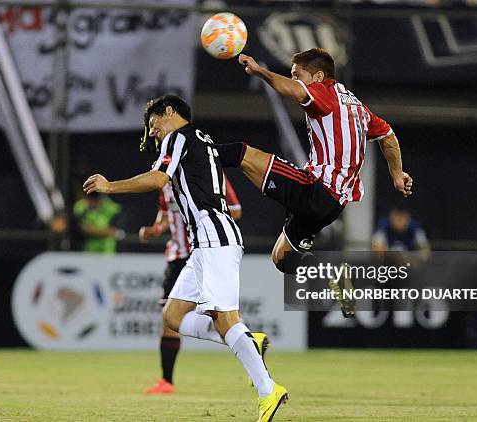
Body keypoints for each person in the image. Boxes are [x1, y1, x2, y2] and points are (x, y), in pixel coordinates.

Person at [83, 94, 288, 421]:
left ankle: (267, 389)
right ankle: (246, 341)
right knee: (172, 316)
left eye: (153, 124)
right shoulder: (199, 140)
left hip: (213, 234)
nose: (152, 132)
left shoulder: (179, 136)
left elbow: (158, 179)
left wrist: (110, 187)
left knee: (226, 319)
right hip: (203, 240)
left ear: (168, 112)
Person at [215, 48, 413, 275]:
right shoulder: (357, 107)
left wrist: (261, 72)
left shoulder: (323, 93)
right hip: (333, 205)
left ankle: (195, 153)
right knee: (282, 258)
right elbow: (387, 136)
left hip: (316, 189)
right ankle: (332, 274)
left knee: (242, 153)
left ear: (318, 76)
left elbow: (293, 91)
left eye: (297, 75)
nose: (294, 80)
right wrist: (397, 175)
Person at [140, 177, 246, 394]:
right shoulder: (163, 178)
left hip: (202, 253)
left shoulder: (208, 171)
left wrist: (199, 217)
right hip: (177, 257)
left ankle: (248, 342)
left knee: (217, 314)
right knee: (170, 319)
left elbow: (235, 210)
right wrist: (157, 228)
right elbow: (165, 212)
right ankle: (166, 381)